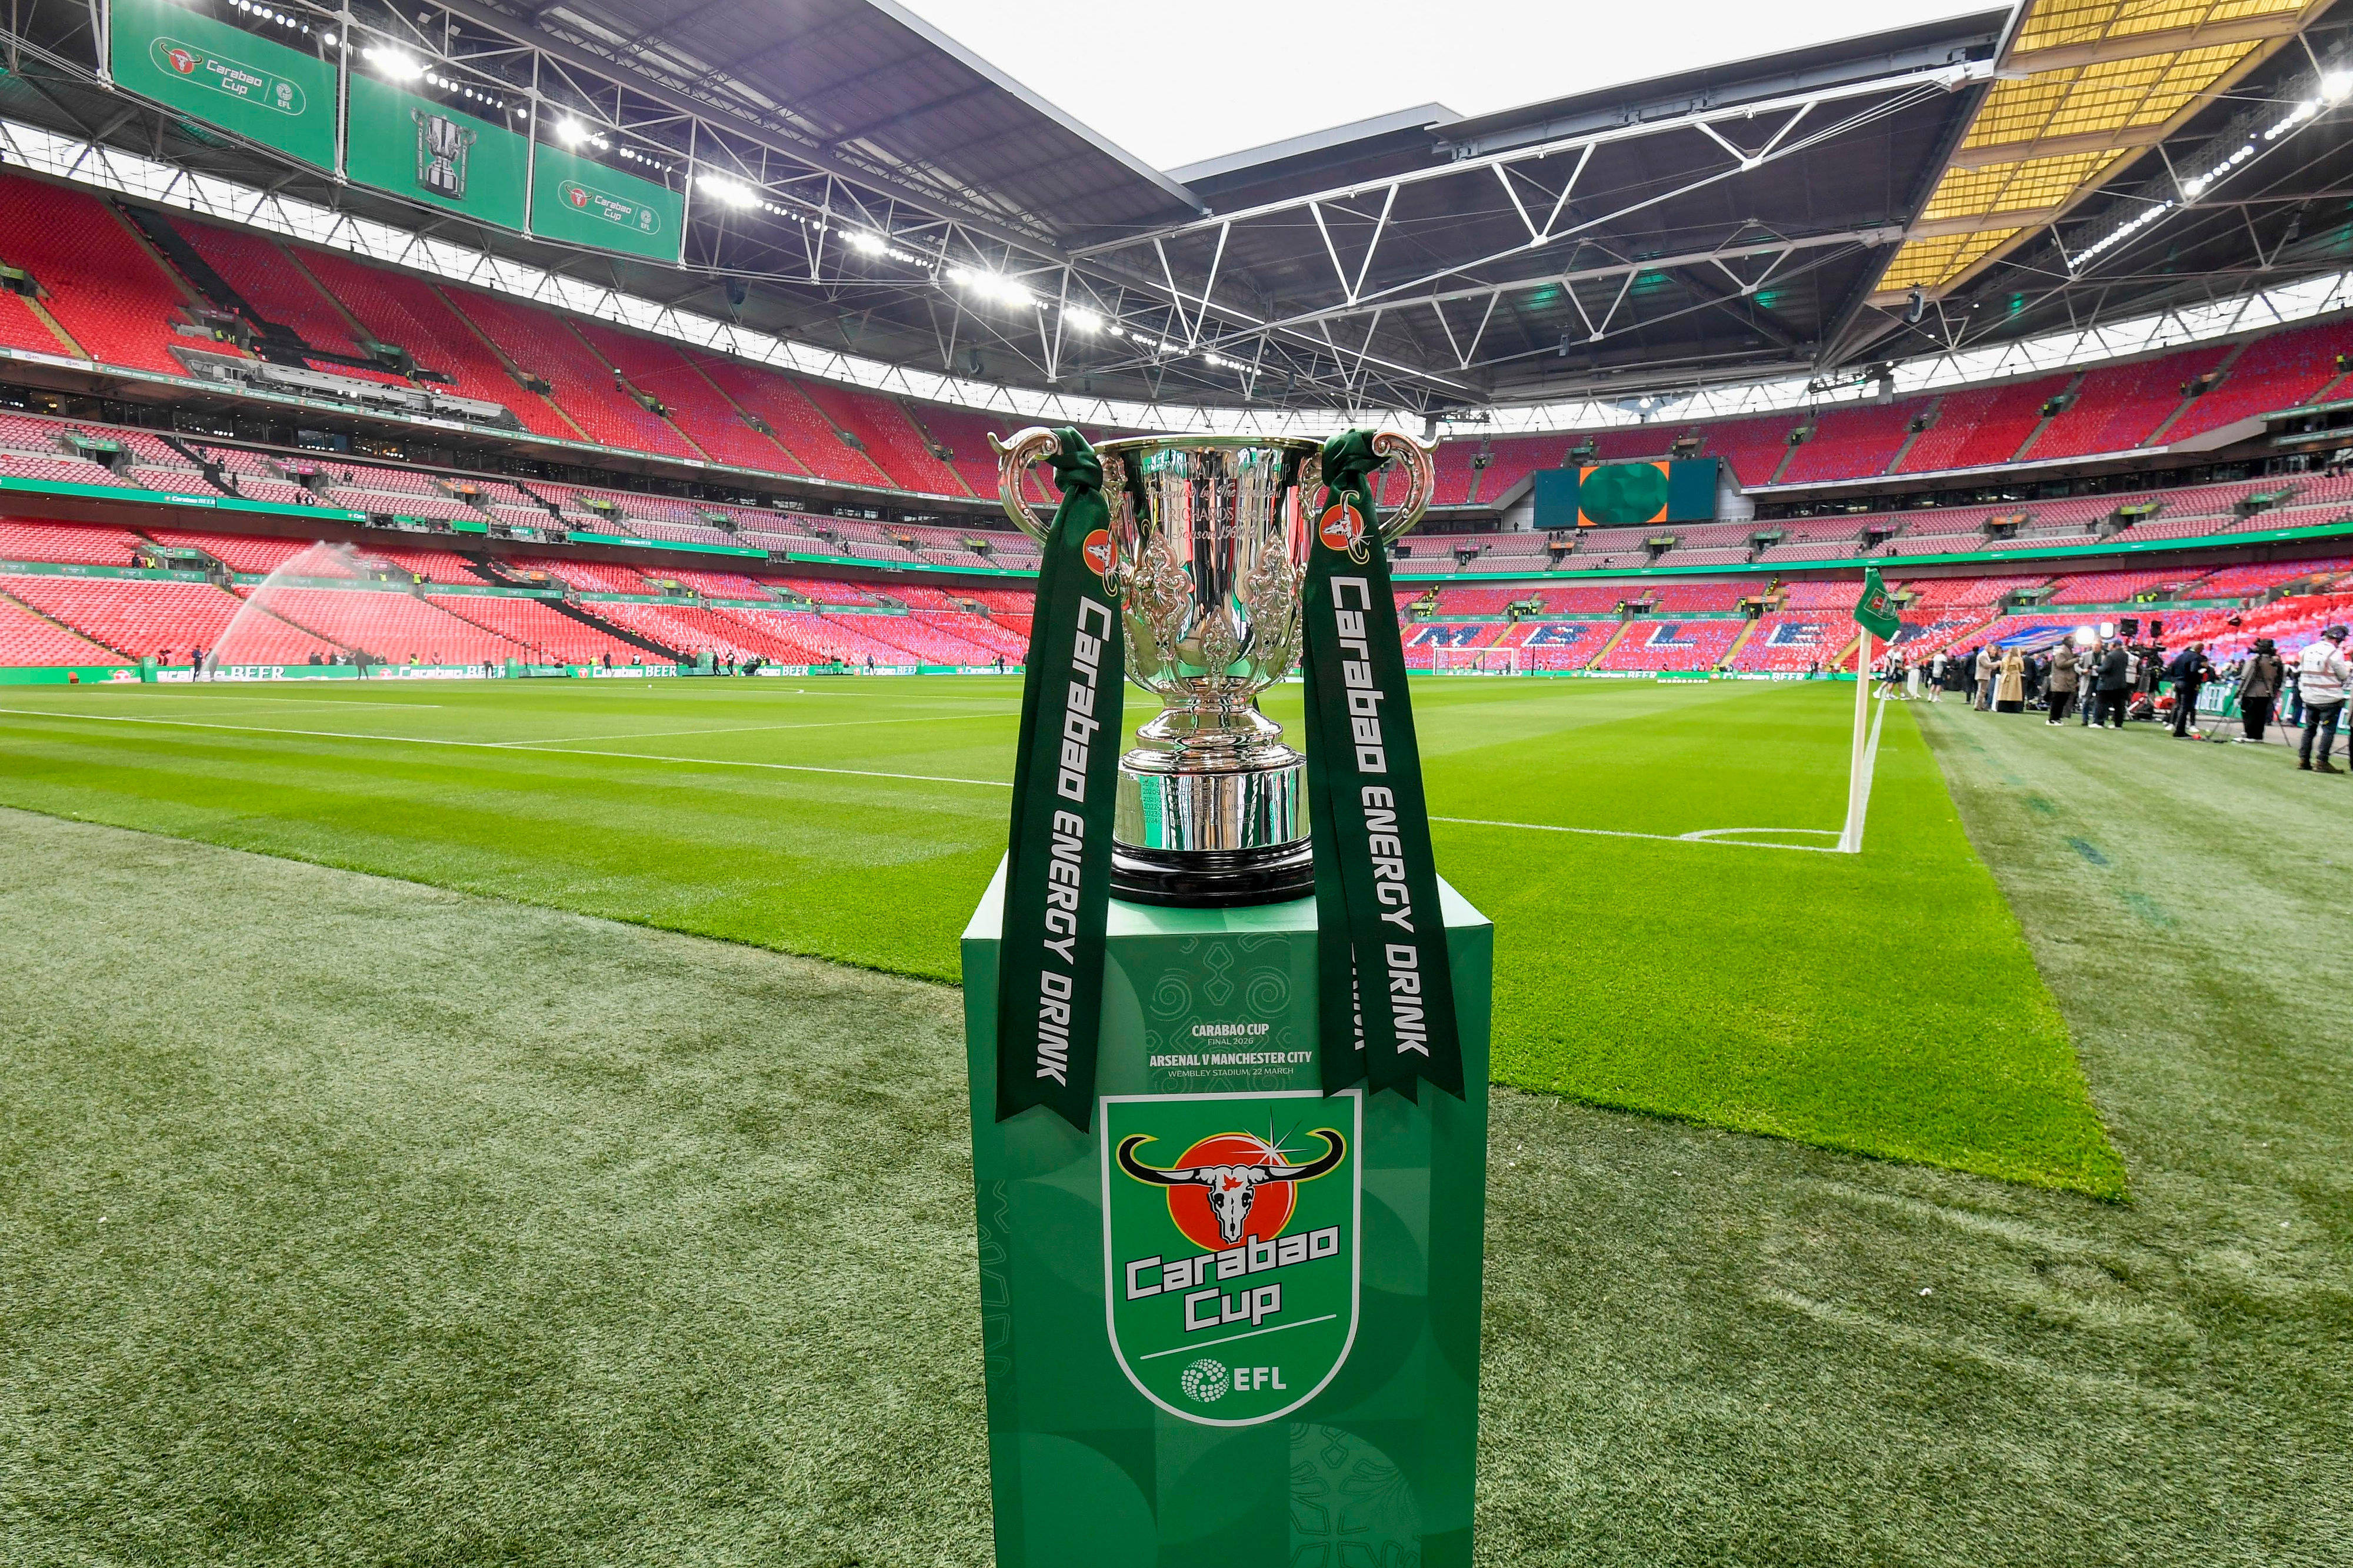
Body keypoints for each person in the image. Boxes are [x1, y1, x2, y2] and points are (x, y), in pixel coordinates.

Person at [2295, 625, 2349, 773]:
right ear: (2338, 640)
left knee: (2309, 729)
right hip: (2329, 699)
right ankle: (2322, 762)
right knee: (2328, 730)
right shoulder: (2335, 653)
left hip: (2310, 697)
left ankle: (2303, 759)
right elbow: (2344, 675)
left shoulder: (2306, 650)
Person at [2238, 638, 2285, 743]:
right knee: (2261, 715)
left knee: (2250, 714)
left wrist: (2240, 691)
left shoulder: (2255, 661)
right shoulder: (2276, 662)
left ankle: (2249, 734)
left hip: (2252, 692)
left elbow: (2246, 677)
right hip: (2267, 691)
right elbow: (2279, 678)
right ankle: (2258, 736)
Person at [2166, 642, 2214, 738]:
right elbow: (2193, 670)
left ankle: (2175, 726)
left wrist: (2174, 680)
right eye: (2202, 649)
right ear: (2199, 649)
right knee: (2185, 708)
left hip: (2178, 682)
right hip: (2188, 684)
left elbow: (2172, 668)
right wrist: (2198, 681)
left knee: (2179, 705)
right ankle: (2179, 731)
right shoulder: (2196, 657)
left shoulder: (2181, 656)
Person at [2096, 639, 2132, 728]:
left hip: (2108, 684)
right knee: (2119, 706)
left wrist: (2097, 668)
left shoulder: (2110, 655)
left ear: (2114, 645)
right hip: (2121, 684)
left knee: (2102, 703)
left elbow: (2105, 669)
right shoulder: (2125, 656)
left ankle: (2099, 722)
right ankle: (2118, 725)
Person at [2046, 642, 2079, 725]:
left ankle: (2057, 718)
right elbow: (2061, 664)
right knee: (2057, 700)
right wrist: (2075, 660)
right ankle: (2053, 719)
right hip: (2060, 681)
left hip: (2065, 682)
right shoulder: (2061, 653)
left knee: (2062, 701)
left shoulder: (2066, 652)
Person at [1995, 648, 2026, 712]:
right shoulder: (2019, 659)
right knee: (2014, 693)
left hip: (2005, 676)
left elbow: (2001, 669)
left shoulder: (2004, 659)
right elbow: (2022, 669)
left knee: (2004, 693)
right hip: (2015, 677)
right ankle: (2014, 708)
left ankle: (2002, 707)